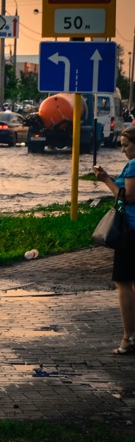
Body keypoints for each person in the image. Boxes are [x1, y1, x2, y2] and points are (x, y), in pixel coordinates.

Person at [93, 126, 135, 354]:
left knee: (123, 282)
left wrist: (106, 179)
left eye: (126, 145)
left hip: (130, 231)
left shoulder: (134, 165)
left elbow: (128, 197)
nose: (123, 150)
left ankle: (129, 337)